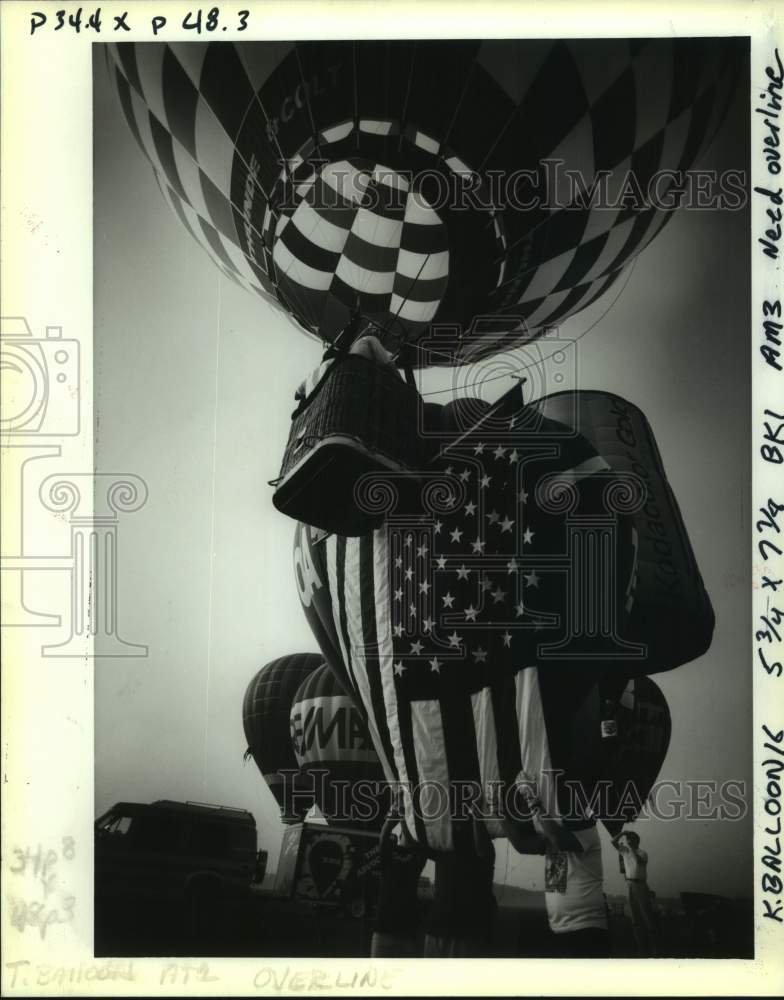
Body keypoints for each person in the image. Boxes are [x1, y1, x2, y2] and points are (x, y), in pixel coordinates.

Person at [503, 774, 611, 958]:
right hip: (558, 927)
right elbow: (522, 845)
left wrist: (534, 802)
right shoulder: (553, 834)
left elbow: (558, 839)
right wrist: (498, 813)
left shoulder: (587, 829)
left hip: (586, 928)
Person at [370, 798, 426, 957]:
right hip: (383, 928)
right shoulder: (391, 851)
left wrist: (403, 817)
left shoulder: (417, 855)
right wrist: (396, 816)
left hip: (406, 931)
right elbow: (384, 835)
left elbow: (413, 839)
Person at [612, 829, 658, 956]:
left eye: (631, 839)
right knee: (635, 918)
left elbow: (639, 862)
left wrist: (631, 848)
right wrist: (623, 833)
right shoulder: (625, 851)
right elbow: (613, 842)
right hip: (630, 885)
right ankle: (640, 948)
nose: (628, 841)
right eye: (628, 839)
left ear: (636, 841)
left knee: (646, 916)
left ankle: (654, 948)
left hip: (641, 885)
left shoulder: (643, 853)